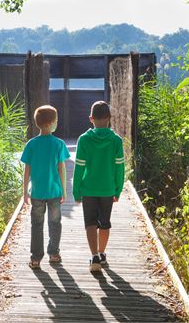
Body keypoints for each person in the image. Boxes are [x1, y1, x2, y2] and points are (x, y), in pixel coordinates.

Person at [72, 100, 125, 272]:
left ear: (91, 118)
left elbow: (79, 167)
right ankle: (102, 253)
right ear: (109, 118)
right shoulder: (116, 140)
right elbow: (120, 168)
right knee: (105, 223)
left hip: (88, 189)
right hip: (108, 189)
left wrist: (76, 190)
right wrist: (118, 189)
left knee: (90, 223)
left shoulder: (84, 140)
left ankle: (94, 256)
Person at [21, 105, 70, 269]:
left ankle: (35, 258)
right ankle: (54, 254)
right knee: (55, 223)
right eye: (56, 121)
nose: (57, 123)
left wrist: (24, 192)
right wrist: (64, 190)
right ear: (50, 123)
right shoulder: (59, 144)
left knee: (37, 225)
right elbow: (61, 168)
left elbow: (26, 170)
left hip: (36, 193)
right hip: (55, 192)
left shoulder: (31, 144)